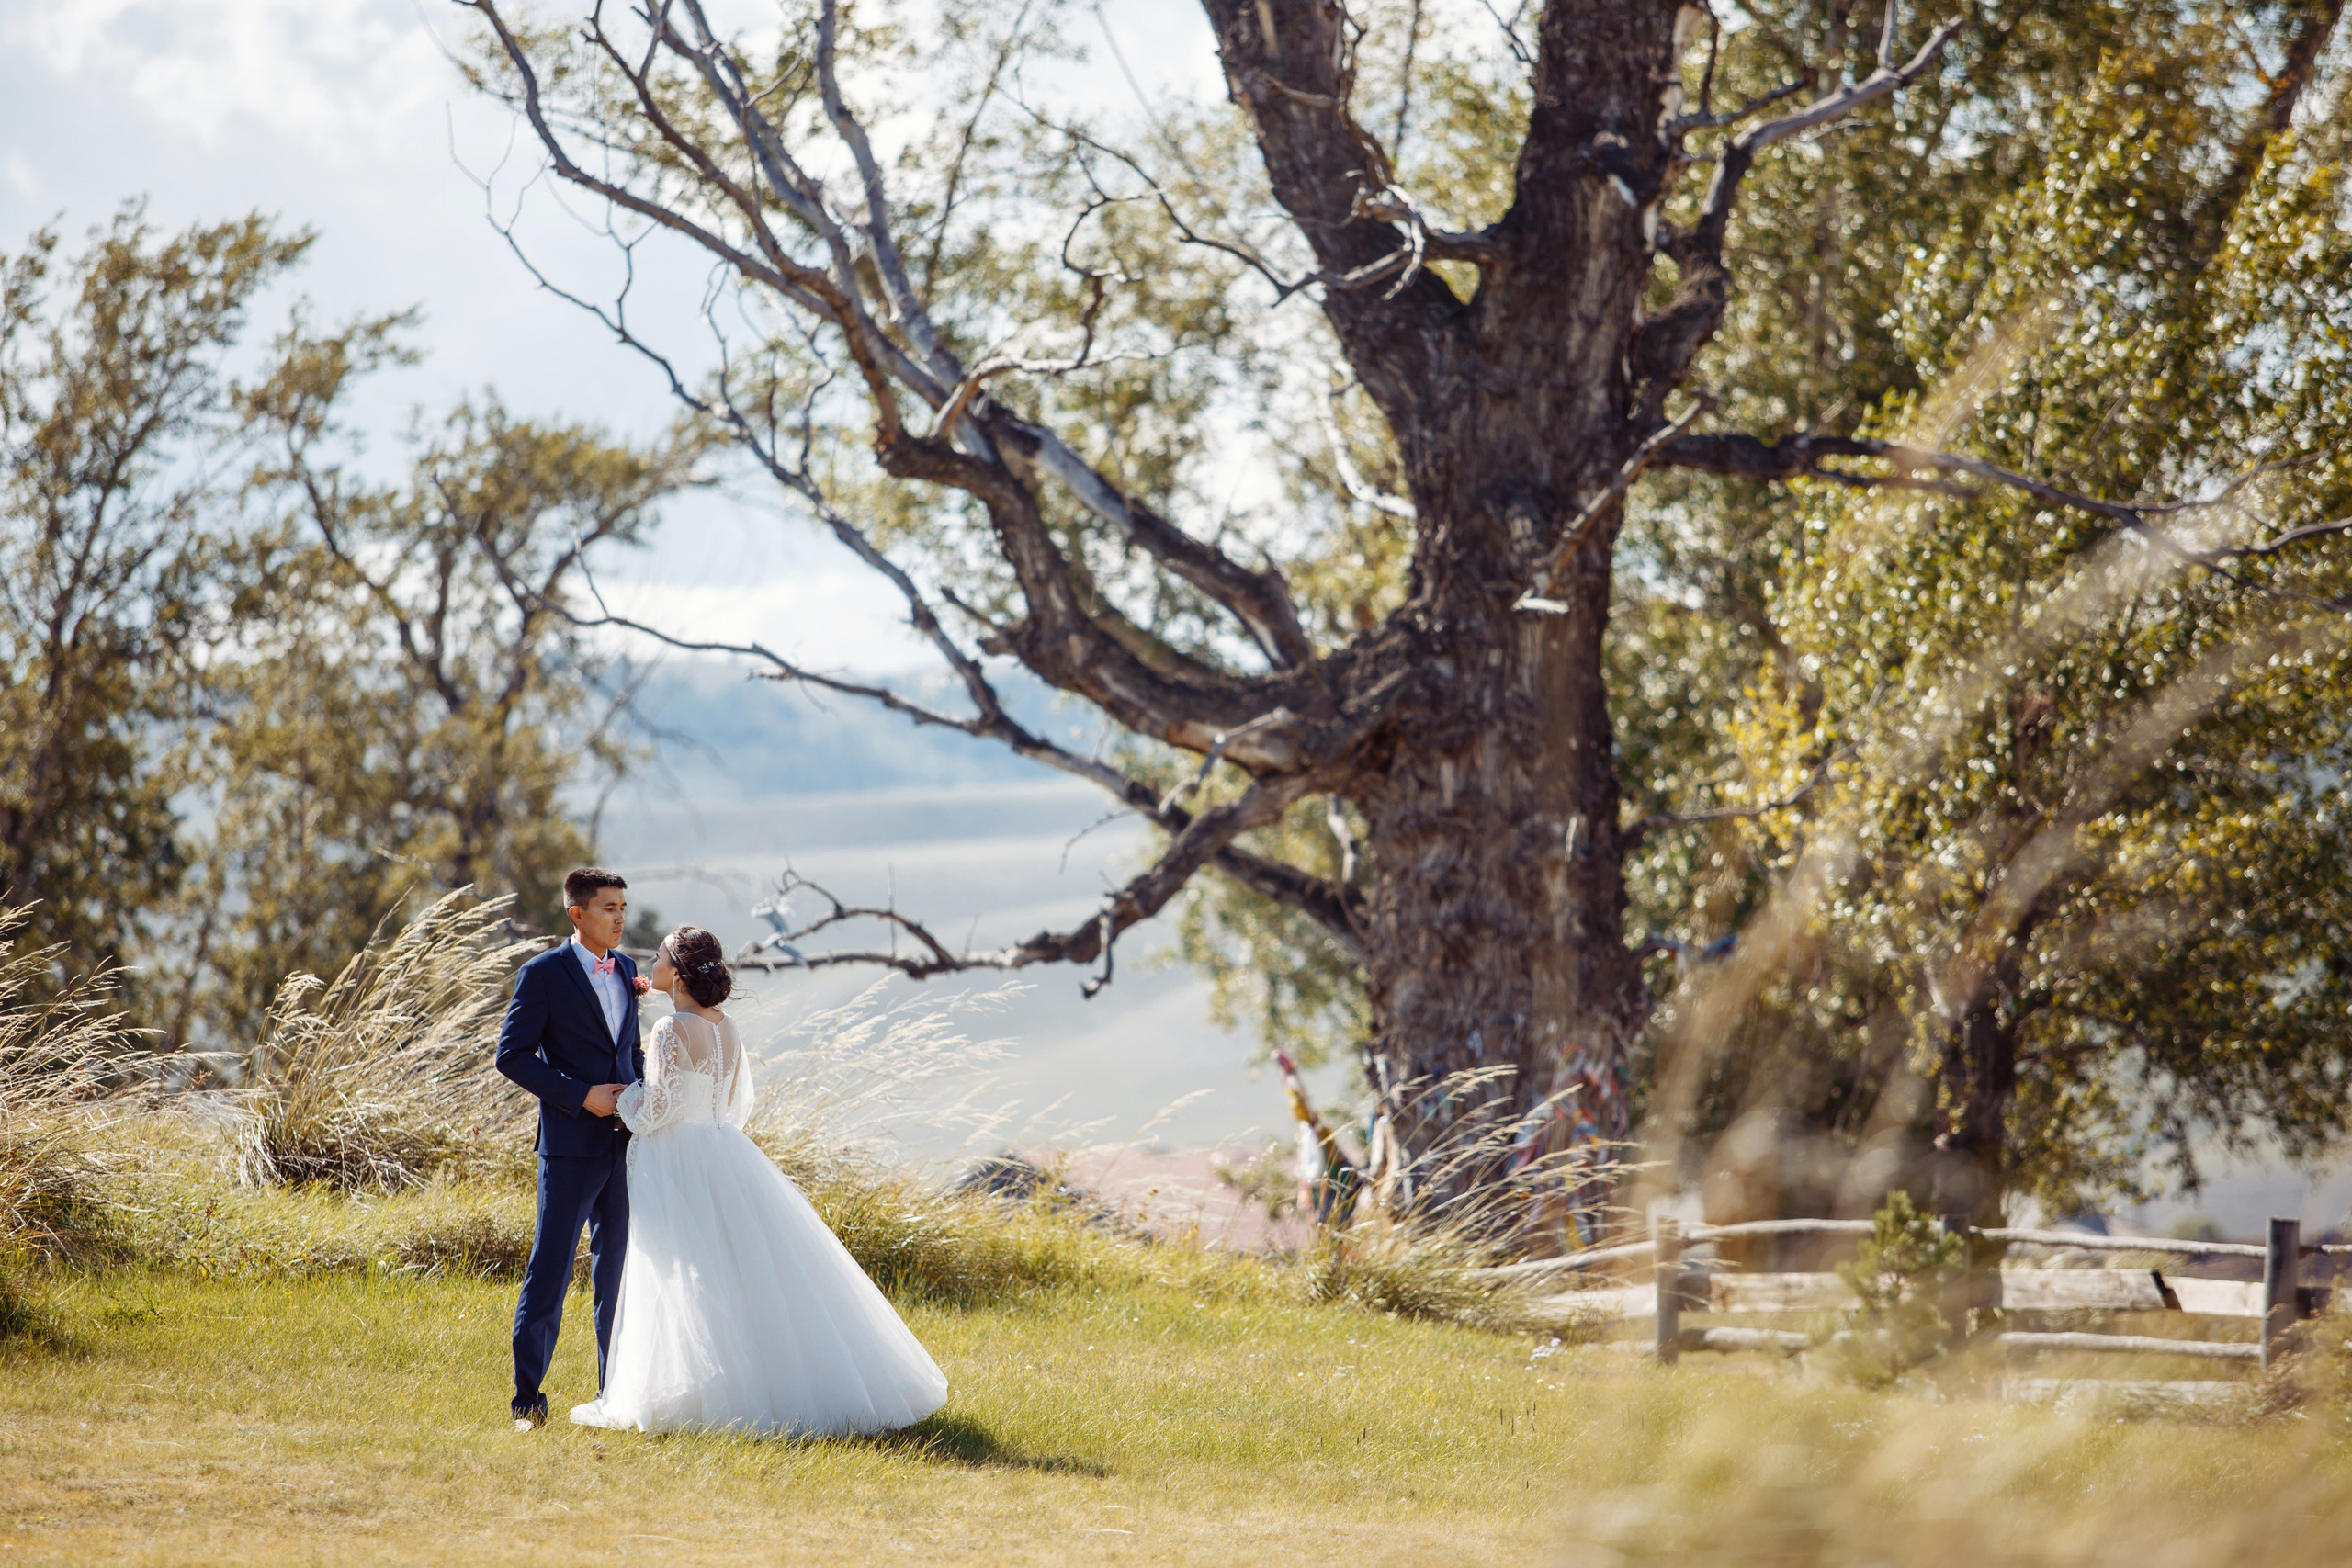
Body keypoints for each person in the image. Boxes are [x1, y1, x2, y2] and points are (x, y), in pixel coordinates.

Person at [570, 926, 949, 1437]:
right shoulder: (726, 1026)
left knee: (686, 1270)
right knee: (736, 1269)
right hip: (724, 1149)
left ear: (677, 975)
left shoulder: (669, 1029)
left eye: (658, 956)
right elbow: (729, 1104)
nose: (650, 962)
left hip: (680, 1158)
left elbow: (655, 1111)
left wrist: (622, 1099)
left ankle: (700, 1394)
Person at [494, 867, 645, 1430]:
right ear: (577, 914)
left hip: (627, 1148)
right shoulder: (542, 975)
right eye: (609, 907)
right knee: (550, 1273)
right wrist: (581, 1097)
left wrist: (641, 1095)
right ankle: (527, 1402)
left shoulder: (628, 969)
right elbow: (512, 1056)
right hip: (568, 1150)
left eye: (623, 907)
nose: (620, 917)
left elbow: (628, 1050)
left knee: (617, 1277)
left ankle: (616, 1398)